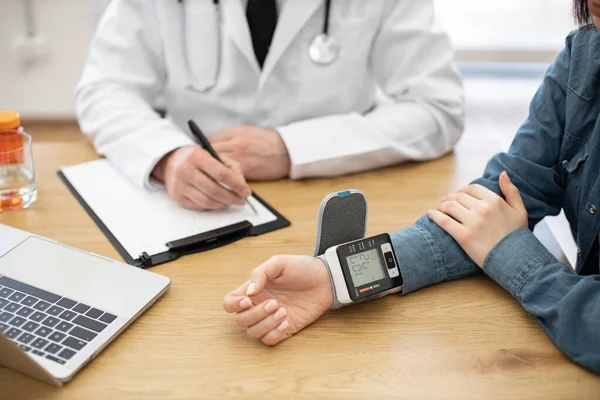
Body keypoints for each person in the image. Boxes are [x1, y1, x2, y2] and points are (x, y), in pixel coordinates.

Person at [223, 0, 600, 374]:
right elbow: (491, 205)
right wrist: (335, 277)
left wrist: (514, 256)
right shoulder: (583, 52)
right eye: (595, 11)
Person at [75, 0, 463, 211]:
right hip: (194, 207)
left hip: (337, 191)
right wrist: (167, 156)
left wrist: (292, 148)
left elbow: (437, 108)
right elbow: (104, 88)